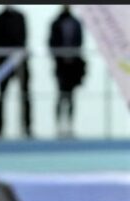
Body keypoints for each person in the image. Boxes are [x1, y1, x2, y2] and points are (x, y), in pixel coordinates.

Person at [0, 5, 32, 137]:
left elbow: (24, 39)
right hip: (3, 63)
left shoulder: (20, 17)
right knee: (1, 95)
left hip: (20, 62)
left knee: (25, 94)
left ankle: (27, 126)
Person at [48, 5, 86, 138]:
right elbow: (51, 43)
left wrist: (73, 58)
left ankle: (70, 125)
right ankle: (58, 125)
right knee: (61, 95)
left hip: (73, 67)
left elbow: (80, 43)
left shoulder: (76, 23)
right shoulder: (56, 23)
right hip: (61, 66)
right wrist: (61, 58)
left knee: (71, 97)